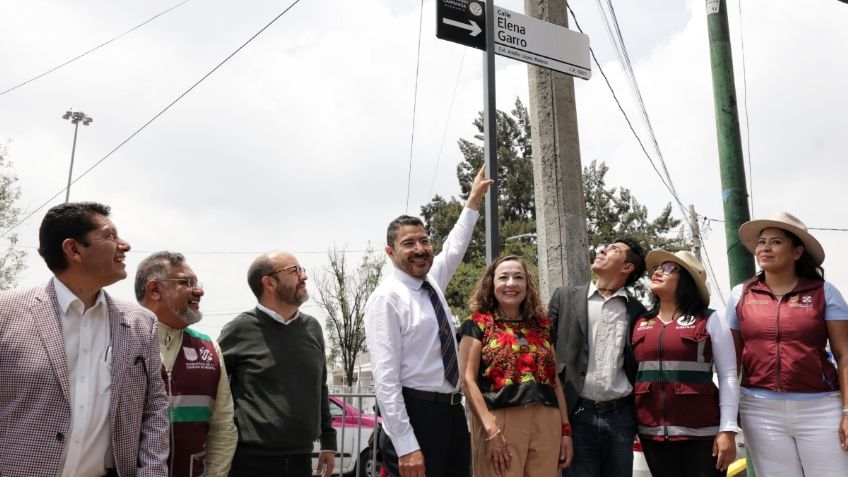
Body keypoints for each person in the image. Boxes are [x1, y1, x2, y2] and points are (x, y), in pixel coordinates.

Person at [0, 202, 169, 477]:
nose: (124, 245)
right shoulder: (6, 313)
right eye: (110, 236)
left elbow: (154, 410)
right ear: (74, 249)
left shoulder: (141, 323)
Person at [364, 166, 492, 477]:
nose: (420, 249)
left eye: (424, 241)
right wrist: (406, 445)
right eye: (409, 244)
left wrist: (472, 202)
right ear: (390, 251)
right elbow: (385, 381)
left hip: (451, 413)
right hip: (416, 415)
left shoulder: (432, 283)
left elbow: (455, 248)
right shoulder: (386, 299)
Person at [727, 212, 848, 476]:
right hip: (758, 409)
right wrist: (729, 413)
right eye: (761, 242)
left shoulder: (825, 292)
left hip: (822, 407)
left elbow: (844, 355)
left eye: (776, 241)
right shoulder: (740, 294)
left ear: (797, 252)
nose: (765, 247)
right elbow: (731, 361)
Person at [219, 250, 336, 477]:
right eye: (294, 270)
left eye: (301, 269)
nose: (304, 276)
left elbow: (320, 387)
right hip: (251, 462)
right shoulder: (239, 330)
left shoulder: (312, 328)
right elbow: (215, 389)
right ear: (269, 282)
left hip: (301, 460)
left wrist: (328, 442)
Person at [458, 255, 573, 476]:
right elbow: (467, 380)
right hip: (499, 419)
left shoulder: (543, 326)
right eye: (504, 277)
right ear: (491, 284)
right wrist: (490, 431)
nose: (511, 283)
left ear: (527, 285)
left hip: (547, 420)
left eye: (518, 277)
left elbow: (554, 380)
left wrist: (565, 430)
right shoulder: (477, 324)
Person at [631, 250, 739, 477]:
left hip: (703, 434)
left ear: (687, 280)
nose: (659, 271)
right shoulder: (640, 322)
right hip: (652, 434)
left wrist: (727, 430)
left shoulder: (710, 319)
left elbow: (728, 374)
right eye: (657, 268)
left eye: (670, 268)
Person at [548, 238, 647, 477]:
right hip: (576, 416)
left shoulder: (638, 312)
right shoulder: (564, 298)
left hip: (620, 419)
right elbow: (543, 351)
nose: (601, 249)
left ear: (627, 267)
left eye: (613, 249)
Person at [136, 251, 237, 477]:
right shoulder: (120, 340)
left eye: (197, 283)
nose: (199, 291)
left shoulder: (209, 348)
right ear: (154, 289)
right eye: (187, 283)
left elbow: (222, 427)